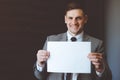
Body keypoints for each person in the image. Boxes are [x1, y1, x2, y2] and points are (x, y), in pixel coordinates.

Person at [33, 1, 112, 80]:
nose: (74, 22)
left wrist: (100, 69)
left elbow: (107, 77)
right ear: (65, 19)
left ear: (85, 19)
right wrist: (40, 64)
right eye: (70, 18)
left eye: (78, 18)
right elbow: (39, 76)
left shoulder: (97, 44)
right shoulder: (51, 40)